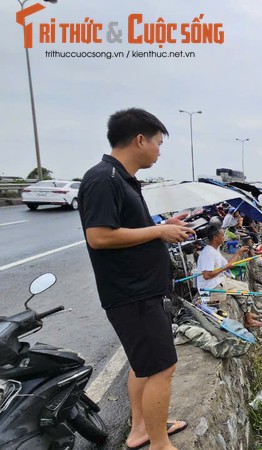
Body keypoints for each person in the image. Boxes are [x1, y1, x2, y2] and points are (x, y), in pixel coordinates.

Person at [78, 107, 191, 450]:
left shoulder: (121, 180)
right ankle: (159, 444)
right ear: (140, 140)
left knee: (143, 366)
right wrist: (158, 230)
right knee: (162, 368)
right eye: (158, 142)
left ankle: (141, 428)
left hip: (140, 292)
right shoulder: (103, 179)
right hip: (133, 294)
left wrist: (162, 230)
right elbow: (98, 236)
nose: (159, 150)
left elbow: (125, 231)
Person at [196, 225, 262, 328]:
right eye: (222, 235)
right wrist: (224, 268)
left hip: (218, 280)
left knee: (244, 285)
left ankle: (247, 313)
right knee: (244, 290)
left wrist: (238, 252)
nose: (224, 238)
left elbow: (228, 264)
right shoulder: (208, 253)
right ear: (215, 237)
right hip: (211, 286)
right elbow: (206, 275)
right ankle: (248, 319)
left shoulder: (215, 250)